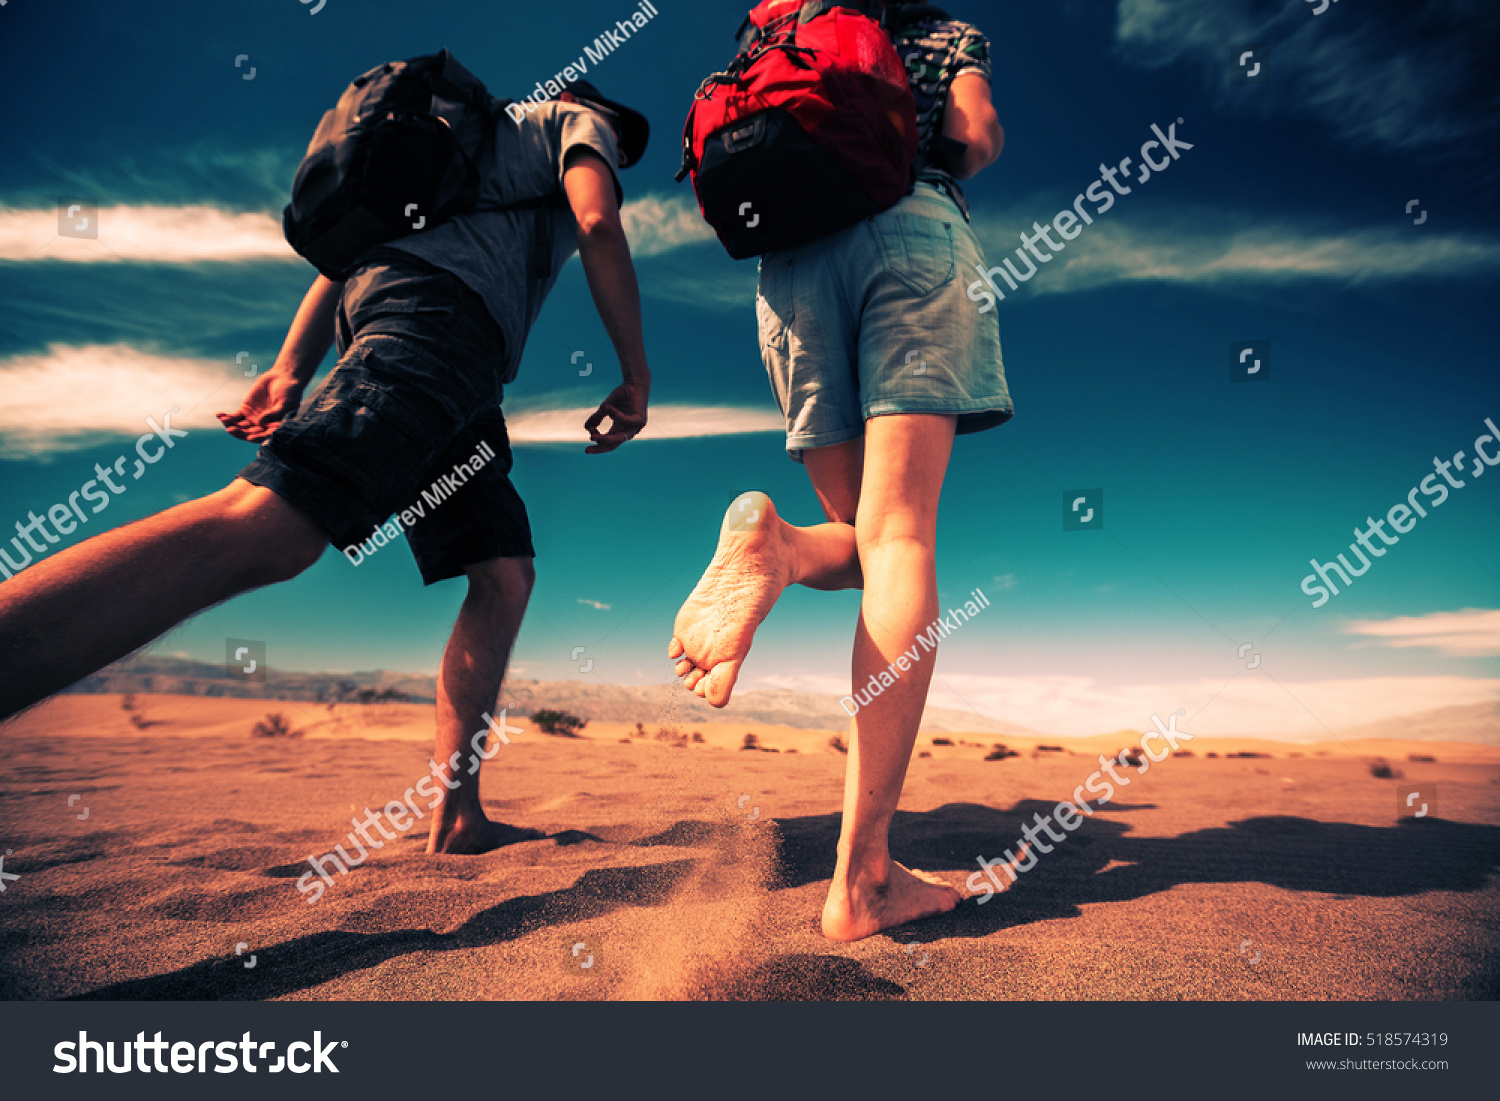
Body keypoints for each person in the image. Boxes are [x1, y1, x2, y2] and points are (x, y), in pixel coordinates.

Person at [0, 78, 654, 856]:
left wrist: (288, 369)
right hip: (440, 326)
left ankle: (456, 814)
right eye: (625, 149)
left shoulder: (460, 149)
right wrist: (636, 376)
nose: (622, 158)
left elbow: (345, 256)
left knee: (504, 573)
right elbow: (596, 220)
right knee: (272, 526)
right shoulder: (576, 121)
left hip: (444, 354)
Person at [669, 4, 1010, 940]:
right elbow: (973, 138)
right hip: (908, 233)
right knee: (900, 539)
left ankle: (776, 546)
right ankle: (862, 881)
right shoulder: (940, 31)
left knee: (869, 543)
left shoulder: (778, 25)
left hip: (788, 273)